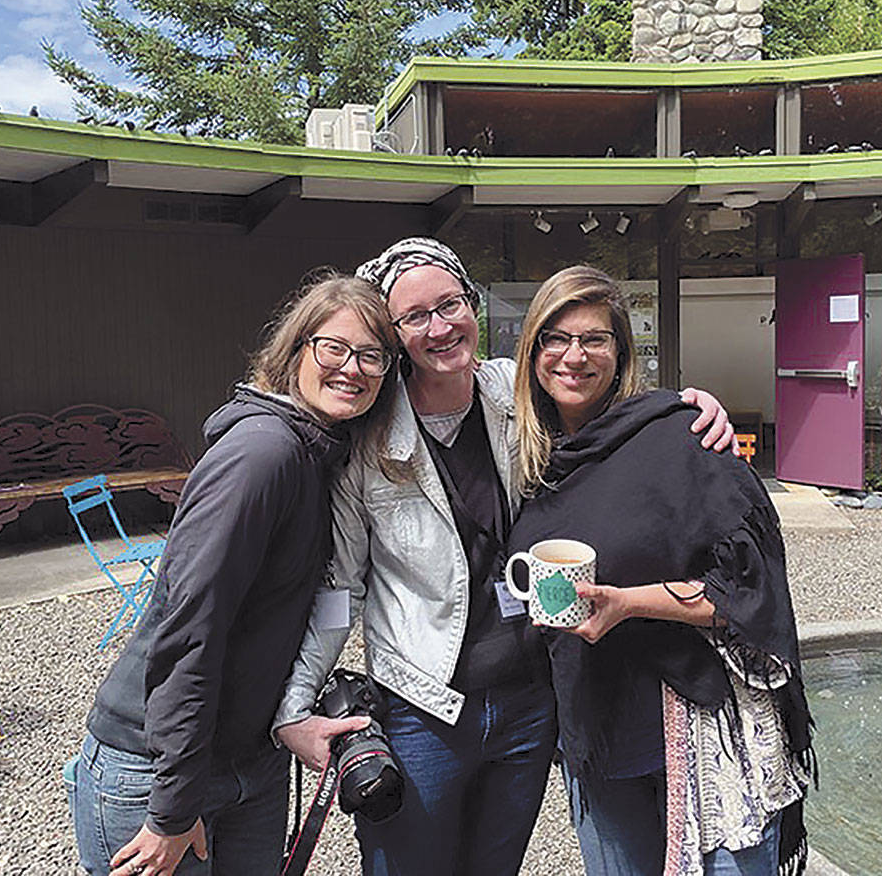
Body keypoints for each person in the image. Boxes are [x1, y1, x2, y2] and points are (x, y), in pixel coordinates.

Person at [273, 238, 737, 876]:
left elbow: (599, 399)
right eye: (415, 317)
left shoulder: (513, 396)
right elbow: (340, 589)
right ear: (393, 334)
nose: (440, 327)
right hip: (423, 710)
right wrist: (294, 705)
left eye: (451, 304)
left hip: (528, 705)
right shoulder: (369, 439)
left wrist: (683, 407)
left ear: (472, 304)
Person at [68, 272, 399, 876]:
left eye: (371, 356)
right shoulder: (262, 456)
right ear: (296, 350)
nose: (351, 368)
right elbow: (190, 629)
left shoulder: (321, 454)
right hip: (160, 764)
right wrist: (173, 806)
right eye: (333, 347)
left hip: (250, 758)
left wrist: (289, 717)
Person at [508, 265, 814, 876]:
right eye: (555, 338)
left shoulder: (681, 436)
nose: (574, 356)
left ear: (621, 352)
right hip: (597, 737)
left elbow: (751, 592)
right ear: (533, 351)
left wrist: (629, 603)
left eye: (594, 339)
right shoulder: (528, 458)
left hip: (702, 734)